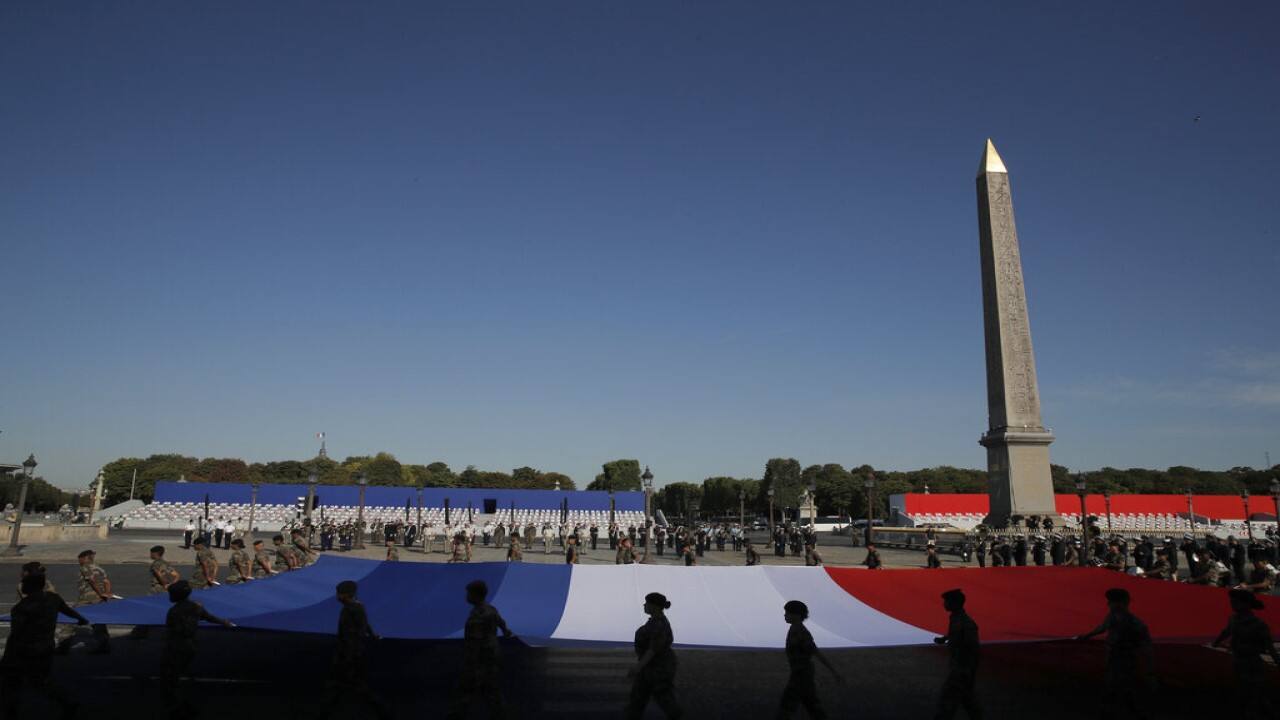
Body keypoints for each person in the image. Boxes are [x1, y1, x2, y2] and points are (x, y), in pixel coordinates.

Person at [1, 572, 90, 719]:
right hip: (45, 646)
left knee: (10, 682)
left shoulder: (21, 607)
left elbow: (16, 634)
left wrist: (8, 657)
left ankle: (10, 711)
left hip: (24, 649)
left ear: (30, 586)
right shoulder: (52, 599)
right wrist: (81, 619)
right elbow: (68, 611)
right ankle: (67, 702)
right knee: (41, 680)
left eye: (24, 583)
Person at [1074, 588, 1154, 718]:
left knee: (1125, 685)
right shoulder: (1114, 616)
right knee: (1114, 684)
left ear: (1123, 603)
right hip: (1115, 655)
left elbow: (1146, 647)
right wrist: (1087, 635)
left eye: (1112, 602)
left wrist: (1149, 669)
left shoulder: (1135, 623)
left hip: (1127, 657)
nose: (1109, 605)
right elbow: (1103, 627)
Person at [318, 580, 391, 720]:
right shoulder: (353, 607)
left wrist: (348, 658)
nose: (337, 596)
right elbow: (364, 625)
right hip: (348, 655)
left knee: (352, 687)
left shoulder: (354, 608)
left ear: (346, 595)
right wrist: (373, 634)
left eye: (339, 594)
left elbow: (359, 631)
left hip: (349, 656)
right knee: (348, 687)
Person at [162, 580, 234, 715]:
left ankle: (177, 705)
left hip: (177, 646)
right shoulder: (196, 607)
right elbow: (209, 617)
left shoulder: (173, 612)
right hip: (191, 646)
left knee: (171, 676)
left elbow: (172, 631)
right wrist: (225, 622)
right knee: (179, 672)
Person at [446, 580, 514, 719]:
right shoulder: (490, 609)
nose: (466, 596)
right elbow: (501, 622)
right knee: (490, 688)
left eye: (469, 593)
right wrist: (506, 631)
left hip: (483, 656)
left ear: (475, 595)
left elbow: (476, 640)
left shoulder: (479, 615)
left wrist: (472, 660)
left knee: (473, 687)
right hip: (491, 652)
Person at [1212, 589, 1279, 718]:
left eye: (1236, 602)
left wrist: (1277, 661)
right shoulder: (1234, 619)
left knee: (1254, 691)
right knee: (1246, 690)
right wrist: (1216, 642)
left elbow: (1269, 646)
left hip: (1252, 662)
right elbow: (1226, 632)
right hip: (1238, 660)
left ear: (1247, 605)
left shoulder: (1258, 625)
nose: (1233, 605)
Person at [776, 600, 840, 719]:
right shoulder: (795, 630)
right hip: (801, 673)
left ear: (797, 615)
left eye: (788, 613)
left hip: (800, 674)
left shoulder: (800, 632)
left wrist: (834, 672)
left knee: (787, 705)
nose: (785, 615)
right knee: (812, 705)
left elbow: (815, 651)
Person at [625, 592, 682, 720]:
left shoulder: (658, 624)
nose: (644, 605)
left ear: (654, 606)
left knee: (664, 698)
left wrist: (637, 668)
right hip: (651, 668)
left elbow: (653, 650)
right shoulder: (655, 622)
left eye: (647, 603)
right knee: (637, 701)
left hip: (658, 669)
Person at [932, 588, 981, 720]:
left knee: (948, 699)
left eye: (946, 602)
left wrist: (965, 670)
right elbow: (956, 635)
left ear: (954, 603)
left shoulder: (966, 623)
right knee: (967, 699)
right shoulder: (956, 619)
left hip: (962, 668)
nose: (944, 604)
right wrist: (945, 638)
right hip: (961, 667)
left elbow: (972, 647)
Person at [59, 549, 111, 655]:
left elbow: (91, 580)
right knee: (98, 623)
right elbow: (106, 581)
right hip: (99, 600)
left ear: (85, 558)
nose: (79, 562)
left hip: (87, 599)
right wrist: (107, 593)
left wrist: (100, 593)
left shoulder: (85, 567)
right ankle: (104, 646)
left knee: (70, 619)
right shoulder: (99, 568)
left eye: (80, 559)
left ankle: (63, 646)